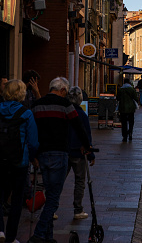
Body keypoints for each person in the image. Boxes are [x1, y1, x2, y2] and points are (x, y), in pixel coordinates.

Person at [28, 77, 91, 243]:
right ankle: (40, 234)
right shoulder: (66, 105)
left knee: (50, 193)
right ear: (62, 90)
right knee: (53, 199)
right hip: (59, 153)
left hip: (42, 154)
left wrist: (32, 154)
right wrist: (87, 146)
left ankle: (48, 237)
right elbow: (79, 126)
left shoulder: (36, 105)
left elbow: (31, 131)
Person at [0, 80, 39, 243]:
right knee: (17, 199)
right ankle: (10, 237)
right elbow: (33, 142)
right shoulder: (26, 113)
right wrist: (33, 157)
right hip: (19, 162)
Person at [66, 87, 95, 220]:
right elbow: (86, 135)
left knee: (59, 180)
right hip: (78, 151)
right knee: (80, 181)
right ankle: (78, 209)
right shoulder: (81, 115)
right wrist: (90, 154)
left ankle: (52, 208)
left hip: (65, 151)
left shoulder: (64, 112)